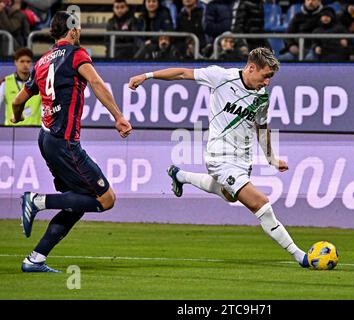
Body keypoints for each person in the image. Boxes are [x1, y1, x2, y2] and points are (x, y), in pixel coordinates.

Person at [128, 47, 310, 268]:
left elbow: (261, 127)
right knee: (260, 203)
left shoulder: (262, 97)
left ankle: (180, 175)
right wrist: (146, 76)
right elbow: (183, 73)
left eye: (271, 78)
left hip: (243, 159)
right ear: (251, 68)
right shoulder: (221, 77)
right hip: (219, 157)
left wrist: (271, 158)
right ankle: (300, 256)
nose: (267, 82)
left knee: (230, 195)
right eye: (266, 76)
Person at [11, 11, 132, 273]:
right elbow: (96, 82)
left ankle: (35, 259)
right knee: (106, 199)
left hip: (45, 139)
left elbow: (18, 101)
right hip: (65, 143)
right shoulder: (76, 54)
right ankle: (37, 201)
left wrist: (16, 117)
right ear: (73, 31)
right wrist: (119, 116)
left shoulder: (41, 62)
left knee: (76, 201)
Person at [0, 47, 42, 126]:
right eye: (22, 61)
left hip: (34, 129)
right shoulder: (6, 82)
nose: (25, 64)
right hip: (12, 130)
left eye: (28, 61)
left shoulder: (38, 82)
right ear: (15, 62)